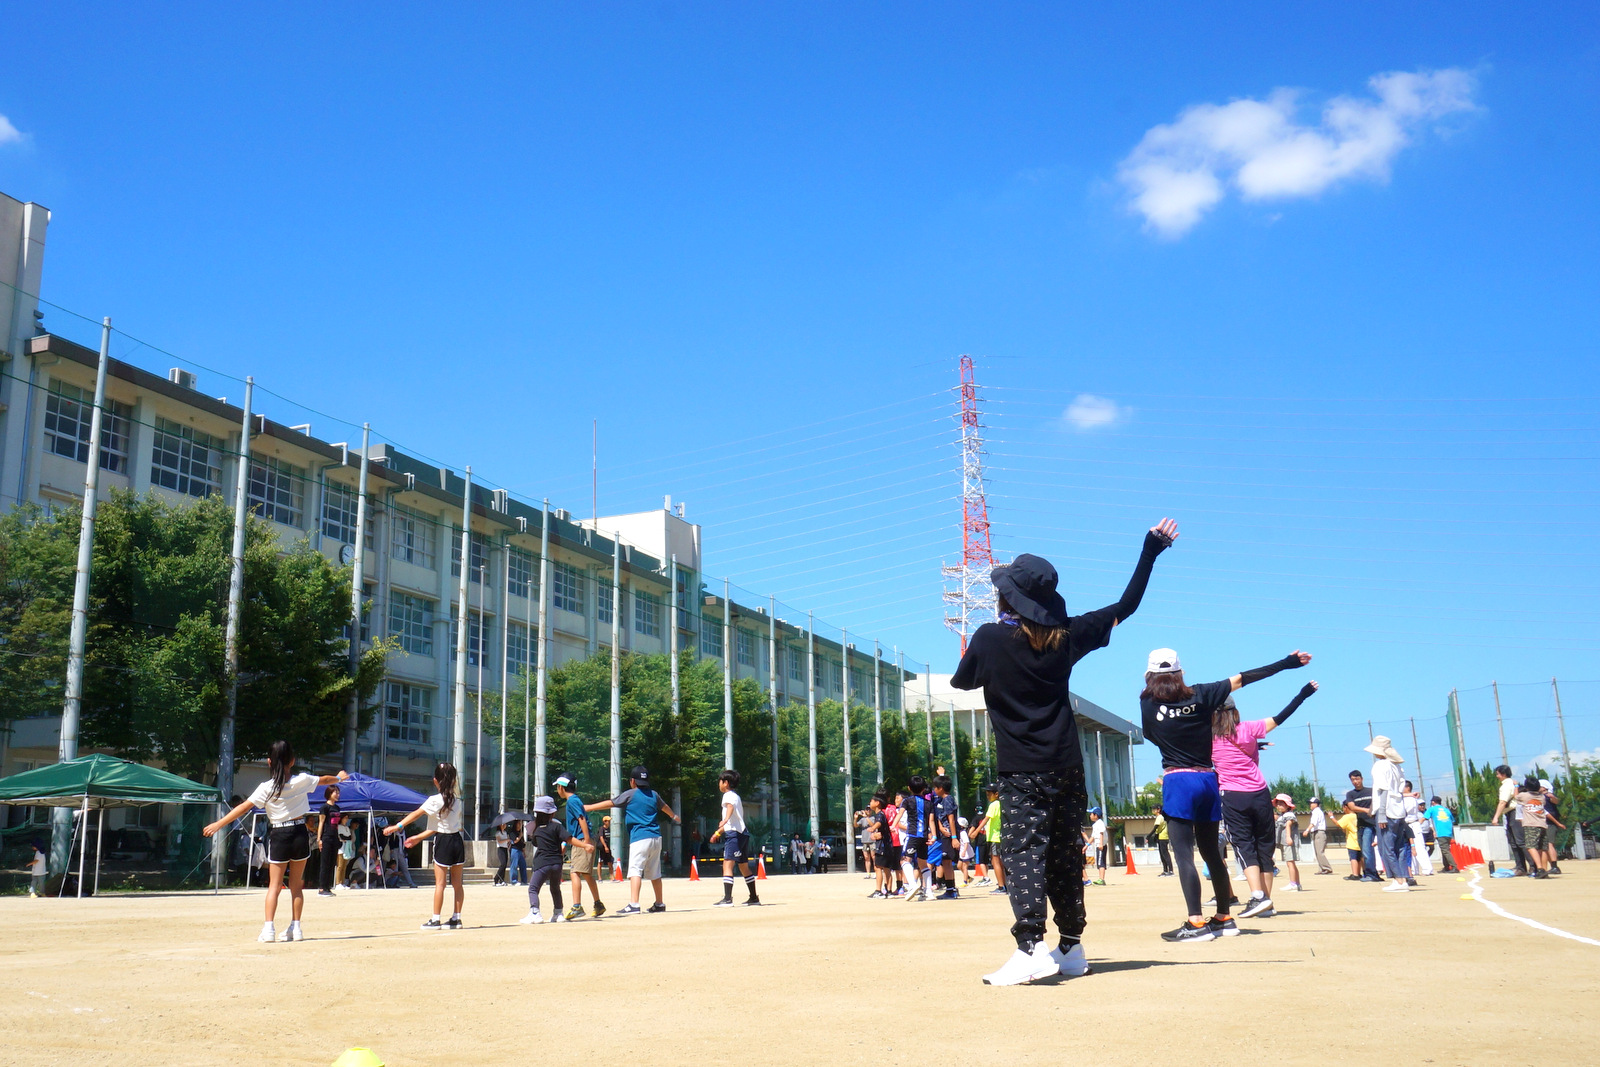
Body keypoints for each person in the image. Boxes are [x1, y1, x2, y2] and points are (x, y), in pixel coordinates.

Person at [951, 518, 1177, 985]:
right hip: (1069, 766)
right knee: (1064, 855)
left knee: (1022, 853)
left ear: (1007, 598)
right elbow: (1126, 606)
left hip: (1022, 769)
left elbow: (964, 679)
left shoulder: (991, 639)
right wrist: (1150, 550)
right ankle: (1071, 946)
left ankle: (1030, 946)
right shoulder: (1067, 636)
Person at [1141, 645, 1312, 944]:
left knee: (1183, 856)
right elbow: (1245, 678)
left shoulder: (1148, 703)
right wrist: (1287, 663)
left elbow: (1150, 735)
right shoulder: (1203, 693)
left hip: (1178, 780)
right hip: (1208, 779)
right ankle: (1224, 918)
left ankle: (1196, 923)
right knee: (1213, 853)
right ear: (1180, 672)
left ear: (1149, 676)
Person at [203, 740, 349, 942]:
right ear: (293, 760)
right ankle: (296, 929)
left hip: (279, 835)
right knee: (296, 885)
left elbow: (244, 807)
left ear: (269, 762)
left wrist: (219, 824)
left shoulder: (266, 787)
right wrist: (339, 778)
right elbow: (325, 780)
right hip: (299, 833)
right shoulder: (302, 780)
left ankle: (269, 929)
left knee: (275, 885)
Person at [1212, 681, 1318, 920]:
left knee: (1243, 846)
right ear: (1235, 711)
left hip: (1233, 796)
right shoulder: (1250, 728)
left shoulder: (1208, 738)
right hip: (1259, 793)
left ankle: (1257, 896)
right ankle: (1267, 903)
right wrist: (1303, 694)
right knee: (1264, 849)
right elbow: (1282, 715)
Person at [584, 765, 680, 915]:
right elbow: (665, 807)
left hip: (640, 837)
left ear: (632, 781)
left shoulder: (631, 794)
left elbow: (611, 802)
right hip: (656, 837)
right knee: (655, 872)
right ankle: (659, 903)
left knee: (635, 870)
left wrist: (589, 807)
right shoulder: (654, 794)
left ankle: (634, 904)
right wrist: (673, 816)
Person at [384, 761, 467, 930]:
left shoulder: (435, 800)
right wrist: (418, 838)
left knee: (440, 884)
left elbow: (416, 814)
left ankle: (435, 919)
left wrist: (397, 826)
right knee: (457, 884)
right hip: (457, 841)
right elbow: (441, 827)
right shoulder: (458, 801)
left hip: (443, 842)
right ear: (453, 781)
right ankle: (456, 918)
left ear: (435, 781)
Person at [521, 795, 595, 922]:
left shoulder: (537, 830)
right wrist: (584, 845)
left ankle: (535, 912)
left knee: (533, 888)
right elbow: (569, 839)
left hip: (542, 863)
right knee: (555, 888)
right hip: (557, 864)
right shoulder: (557, 827)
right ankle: (558, 913)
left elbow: (535, 843)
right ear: (553, 813)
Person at [1365, 736, 1411, 893]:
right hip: (1399, 810)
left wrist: (1382, 813)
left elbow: (1382, 789)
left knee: (1386, 847)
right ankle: (1403, 878)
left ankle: (1398, 880)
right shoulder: (1397, 767)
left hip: (1387, 810)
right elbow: (1400, 789)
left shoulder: (1379, 766)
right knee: (1399, 847)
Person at [555, 775, 606, 919]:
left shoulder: (572, 801)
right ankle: (598, 904)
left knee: (574, 872)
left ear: (561, 787)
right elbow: (573, 826)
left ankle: (577, 906)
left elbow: (581, 819)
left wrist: (586, 842)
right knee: (586, 873)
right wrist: (565, 842)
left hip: (582, 839)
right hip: (580, 839)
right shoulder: (574, 800)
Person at [709, 769, 761, 907]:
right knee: (743, 866)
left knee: (727, 863)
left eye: (720, 781)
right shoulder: (736, 796)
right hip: (742, 833)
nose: (719, 784)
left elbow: (730, 809)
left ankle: (727, 899)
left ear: (725, 783)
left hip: (734, 835)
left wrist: (724, 820)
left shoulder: (727, 796)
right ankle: (754, 897)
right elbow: (734, 819)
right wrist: (718, 833)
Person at [895, 775, 933, 902]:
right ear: (923, 789)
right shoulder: (929, 803)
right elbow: (931, 820)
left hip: (912, 834)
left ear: (909, 788)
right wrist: (933, 835)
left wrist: (893, 825)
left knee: (904, 860)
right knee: (923, 863)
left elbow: (899, 814)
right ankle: (928, 892)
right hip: (924, 836)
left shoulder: (907, 801)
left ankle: (912, 885)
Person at [1489, 765, 1529, 876]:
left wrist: (1496, 816)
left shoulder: (1506, 785)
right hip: (1510, 813)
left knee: (1520, 841)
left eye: (1498, 774)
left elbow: (1502, 802)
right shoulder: (1511, 783)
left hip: (1514, 812)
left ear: (1503, 774)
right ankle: (1520, 867)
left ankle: (1533, 866)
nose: (1497, 776)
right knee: (1514, 842)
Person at [1512, 777, 1553, 879]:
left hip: (1531, 824)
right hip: (1542, 824)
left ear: (1527, 787)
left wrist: (1516, 786)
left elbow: (1515, 796)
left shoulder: (1525, 796)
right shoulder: (1542, 797)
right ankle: (1544, 869)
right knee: (1543, 848)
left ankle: (1540, 869)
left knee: (1530, 847)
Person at [1344, 770, 1380, 882]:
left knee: (1375, 849)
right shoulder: (1351, 794)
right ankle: (1370, 874)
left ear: (1362, 779)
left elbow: (1379, 801)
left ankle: (1376, 874)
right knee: (1365, 850)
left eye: (1357, 779)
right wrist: (1366, 810)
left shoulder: (1371, 791)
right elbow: (1352, 807)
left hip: (1375, 824)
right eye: (1353, 780)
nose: (1355, 782)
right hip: (1362, 825)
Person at [971, 783, 1007, 893]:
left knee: (995, 861)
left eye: (989, 793)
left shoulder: (993, 805)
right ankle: (1005, 885)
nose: (987, 796)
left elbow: (986, 819)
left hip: (995, 838)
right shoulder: (1002, 804)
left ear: (996, 794)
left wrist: (976, 831)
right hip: (1000, 837)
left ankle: (1001, 886)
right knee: (1000, 862)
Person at [931, 774, 960, 899]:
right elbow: (939, 816)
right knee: (945, 861)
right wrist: (941, 827)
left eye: (936, 787)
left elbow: (951, 819)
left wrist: (954, 837)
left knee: (947, 861)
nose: (934, 790)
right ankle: (950, 888)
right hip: (943, 833)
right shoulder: (940, 800)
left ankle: (951, 889)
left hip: (949, 834)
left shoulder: (948, 799)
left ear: (941, 788)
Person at [315, 786, 342, 896]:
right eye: (335, 792)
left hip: (334, 837)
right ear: (329, 793)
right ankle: (321, 888)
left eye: (338, 792)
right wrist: (319, 839)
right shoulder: (324, 807)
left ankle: (327, 886)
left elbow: (337, 825)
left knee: (332, 863)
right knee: (325, 863)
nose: (337, 794)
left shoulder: (337, 807)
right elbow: (321, 823)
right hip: (326, 836)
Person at [866, 794, 894, 898]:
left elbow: (878, 823)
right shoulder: (882, 814)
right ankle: (889, 891)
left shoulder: (879, 814)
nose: (870, 803)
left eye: (871, 801)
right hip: (887, 846)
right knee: (887, 868)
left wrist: (873, 828)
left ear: (877, 803)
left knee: (878, 867)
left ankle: (878, 891)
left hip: (882, 847)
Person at [1272, 794, 1301, 892]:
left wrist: (1288, 837)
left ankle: (1293, 883)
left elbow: (1288, 824)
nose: (1279, 806)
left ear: (1288, 805)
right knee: (1290, 863)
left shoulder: (1289, 815)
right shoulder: (1282, 816)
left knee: (1290, 863)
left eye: (1281, 803)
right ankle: (1297, 883)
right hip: (1285, 842)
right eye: (1278, 803)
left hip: (1288, 842)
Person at [1403, 782, 1431, 879]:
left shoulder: (1409, 799)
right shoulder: (1409, 798)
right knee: (1410, 849)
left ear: (1407, 788)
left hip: (1412, 824)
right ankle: (1414, 869)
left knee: (1418, 847)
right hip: (1408, 824)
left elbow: (1404, 811)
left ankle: (1427, 869)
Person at [1423, 796, 1457, 873]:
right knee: (1444, 849)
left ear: (1433, 802)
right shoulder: (1446, 810)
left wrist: (1418, 823)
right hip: (1448, 832)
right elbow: (1452, 820)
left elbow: (1424, 817)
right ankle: (1446, 867)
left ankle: (1454, 867)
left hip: (1441, 832)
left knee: (1445, 850)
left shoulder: (1432, 809)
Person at [1539, 780, 1566, 874]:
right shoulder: (1539, 796)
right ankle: (1552, 866)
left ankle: (1554, 866)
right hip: (1544, 822)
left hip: (1550, 822)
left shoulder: (1548, 795)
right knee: (1546, 845)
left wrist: (1552, 796)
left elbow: (1555, 801)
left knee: (1549, 844)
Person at [1335, 806, 1363, 880]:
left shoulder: (1347, 817)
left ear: (1346, 807)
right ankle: (1359, 873)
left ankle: (1355, 874)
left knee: (1353, 858)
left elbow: (1338, 824)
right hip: (1360, 840)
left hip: (1352, 841)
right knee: (1359, 858)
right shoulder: (1358, 816)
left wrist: (1331, 817)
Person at [1307, 797, 1333, 875]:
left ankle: (1327, 868)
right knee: (1317, 852)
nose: (1310, 805)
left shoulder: (1316, 811)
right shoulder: (1316, 812)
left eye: (1311, 803)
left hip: (1319, 833)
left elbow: (1313, 823)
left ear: (1316, 804)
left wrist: (1307, 830)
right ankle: (1322, 868)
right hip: (1316, 833)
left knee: (1319, 852)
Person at [1152, 811, 1174, 876]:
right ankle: (1165, 870)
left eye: (1154, 809)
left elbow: (1156, 827)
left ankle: (1170, 870)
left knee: (1165, 854)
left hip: (1163, 837)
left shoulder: (1160, 817)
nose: (1153, 810)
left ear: (1158, 810)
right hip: (1160, 837)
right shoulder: (1160, 817)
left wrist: (1149, 836)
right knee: (1162, 854)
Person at [507, 820, 526, 887]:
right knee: (514, 865)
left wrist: (524, 852)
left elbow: (522, 843)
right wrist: (520, 836)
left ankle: (524, 880)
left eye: (521, 823)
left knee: (523, 865)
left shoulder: (520, 832)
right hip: (514, 850)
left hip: (520, 850)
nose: (519, 825)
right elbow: (515, 841)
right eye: (518, 823)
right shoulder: (512, 832)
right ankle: (513, 881)